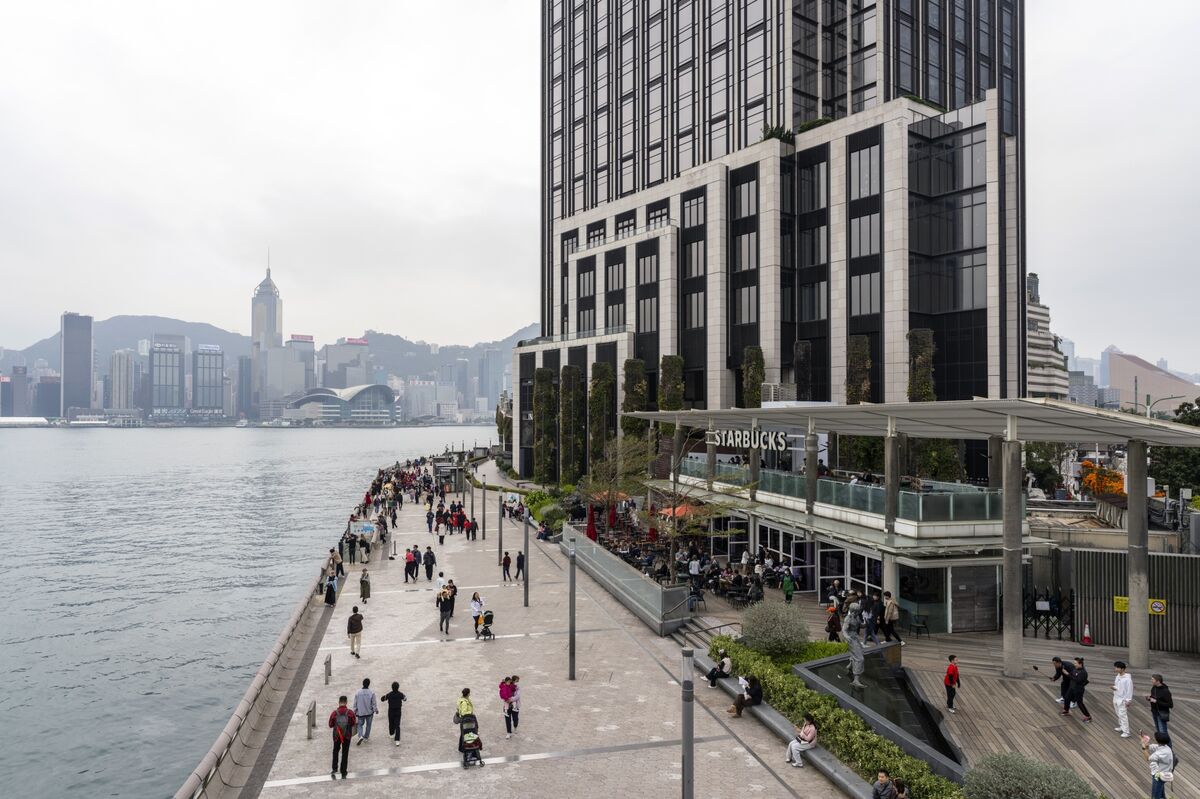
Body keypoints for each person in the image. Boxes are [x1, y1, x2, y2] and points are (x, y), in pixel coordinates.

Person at [328, 696, 357, 779]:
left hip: (337, 736)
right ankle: (343, 770)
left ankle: (334, 768)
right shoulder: (350, 713)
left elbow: (330, 725)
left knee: (335, 751)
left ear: (339, 702)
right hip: (347, 735)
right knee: (345, 752)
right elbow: (353, 723)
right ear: (346, 702)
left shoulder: (334, 713)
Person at [1142, 731, 1174, 799]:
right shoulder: (1166, 747)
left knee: (1155, 796)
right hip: (1163, 772)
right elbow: (1154, 747)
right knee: (1161, 792)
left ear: (1157, 740)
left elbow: (1148, 758)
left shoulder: (1162, 752)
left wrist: (1144, 748)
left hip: (1158, 775)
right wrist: (1146, 744)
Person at [353, 678, 378, 745]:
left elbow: (355, 703)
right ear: (369, 684)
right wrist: (375, 710)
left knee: (360, 725)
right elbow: (374, 703)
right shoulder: (371, 692)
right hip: (369, 712)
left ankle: (360, 736)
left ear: (362, 683)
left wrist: (354, 710)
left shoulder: (358, 692)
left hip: (360, 712)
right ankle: (366, 737)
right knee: (368, 725)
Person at [1148, 674, 1173, 738]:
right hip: (1154, 712)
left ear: (1158, 681)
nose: (1151, 680)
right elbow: (1154, 697)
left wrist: (1156, 701)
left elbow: (1170, 705)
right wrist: (1149, 698)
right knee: (1159, 732)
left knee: (1163, 733)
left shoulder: (1165, 691)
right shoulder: (1154, 688)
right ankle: (1161, 743)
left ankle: (1168, 744)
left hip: (1161, 713)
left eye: (1153, 679)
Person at [1112, 660, 1133, 737]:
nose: (1116, 669)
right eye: (1115, 667)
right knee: (1118, 713)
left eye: (1117, 668)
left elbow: (1129, 690)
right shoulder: (1117, 676)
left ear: (1122, 669)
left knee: (1123, 715)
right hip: (1116, 697)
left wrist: (1128, 700)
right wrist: (1114, 688)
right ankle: (1121, 726)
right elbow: (1118, 686)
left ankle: (1126, 732)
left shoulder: (1128, 679)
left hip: (1123, 700)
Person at [382, 682, 406, 746]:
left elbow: (382, 699)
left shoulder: (389, 694)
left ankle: (391, 733)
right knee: (397, 725)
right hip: (398, 711)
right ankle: (397, 740)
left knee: (391, 723)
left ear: (392, 687)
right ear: (398, 687)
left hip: (391, 711)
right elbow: (405, 699)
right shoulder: (400, 694)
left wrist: (384, 697)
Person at [1067, 657, 1092, 722]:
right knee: (1067, 698)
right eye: (1074, 663)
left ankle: (1088, 716)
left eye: (1075, 663)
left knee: (1080, 703)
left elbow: (1078, 680)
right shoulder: (1075, 669)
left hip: (1078, 690)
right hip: (1072, 688)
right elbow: (1071, 675)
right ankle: (1066, 711)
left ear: (1080, 664)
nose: (1074, 664)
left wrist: (1069, 675)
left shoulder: (1083, 672)